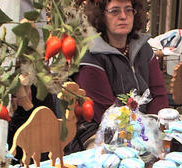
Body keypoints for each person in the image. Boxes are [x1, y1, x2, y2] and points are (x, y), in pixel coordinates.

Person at [67, 0, 169, 152]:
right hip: (101, 131)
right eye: (115, 11)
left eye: (128, 10)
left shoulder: (143, 47)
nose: (123, 16)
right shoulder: (90, 56)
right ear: (101, 16)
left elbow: (159, 93)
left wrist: (153, 128)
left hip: (145, 126)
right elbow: (106, 112)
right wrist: (143, 135)